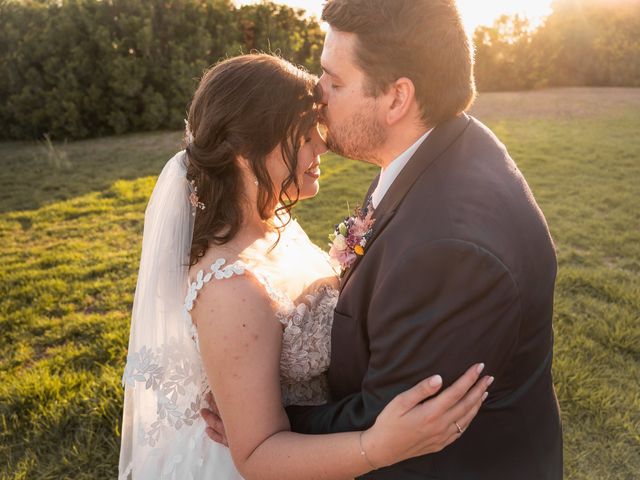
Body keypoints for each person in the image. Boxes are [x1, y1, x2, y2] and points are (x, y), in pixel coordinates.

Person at [205, 1, 563, 478]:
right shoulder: (445, 148)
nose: (317, 95)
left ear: (397, 99)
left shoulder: (450, 250)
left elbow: (395, 420)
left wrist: (262, 428)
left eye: (334, 81)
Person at [118, 53, 491, 480]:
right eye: (303, 135)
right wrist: (378, 446)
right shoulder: (230, 288)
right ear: (244, 151)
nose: (323, 144)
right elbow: (257, 454)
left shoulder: (275, 222)